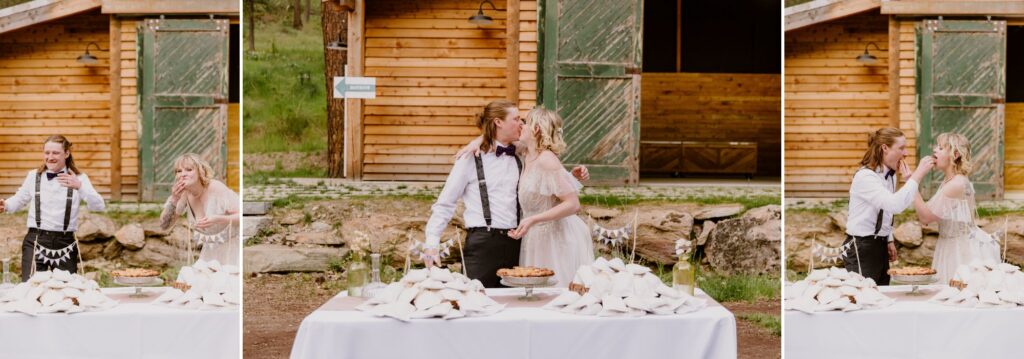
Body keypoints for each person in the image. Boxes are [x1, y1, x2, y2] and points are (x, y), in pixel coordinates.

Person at [423, 100, 587, 288]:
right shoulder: (470, 158)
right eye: (516, 119)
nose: (521, 123)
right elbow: (445, 203)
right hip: (483, 245)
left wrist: (570, 176)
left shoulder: (522, 151)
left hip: (518, 244)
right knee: (477, 302)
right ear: (498, 122)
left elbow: (548, 174)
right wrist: (432, 242)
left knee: (519, 305)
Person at [507, 107, 594, 287]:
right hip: (535, 236)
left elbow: (573, 204)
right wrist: (474, 144)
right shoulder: (526, 153)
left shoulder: (547, 159)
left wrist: (533, 219)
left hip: (555, 238)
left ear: (536, 129)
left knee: (555, 291)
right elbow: (494, 139)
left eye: (525, 122)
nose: (521, 125)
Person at [0, 135, 105, 281]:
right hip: (36, 240)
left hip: (65, 243)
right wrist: (5, 205)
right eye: (47, 153)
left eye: (55, 153)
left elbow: (99, 206)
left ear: (66, 154)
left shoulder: (79, 178)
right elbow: (19, 199)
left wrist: (79, 187)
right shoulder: (33, 176)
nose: (50, 157)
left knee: (66, 292)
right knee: (31, 290)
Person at [844, 128, 934, 285]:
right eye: (901, 148)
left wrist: (888, 239)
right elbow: (894, 205)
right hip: (861, 246)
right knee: (863, 298)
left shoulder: (890, 175)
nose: (905, 153)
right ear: (885, 148)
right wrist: (917, 175)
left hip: (879, 244)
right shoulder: (865, 177)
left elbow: (886, 209)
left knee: (881, 295)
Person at [912, 132, 1000, 283]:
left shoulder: (956, 184)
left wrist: (912, 181)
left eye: (940, 147)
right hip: (949, 245)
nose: (934, 150)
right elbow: (927, 214)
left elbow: (925, 218)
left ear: (956, 154)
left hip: (961, 251)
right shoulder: (950, 180)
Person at [159, 153, 240, 266]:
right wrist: (173, 200)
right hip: (209, 254)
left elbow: (241, 216)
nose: (183, 174)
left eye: (188, 169)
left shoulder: (215, 187)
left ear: (200, 171)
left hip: (232, 251)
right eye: (179, 171)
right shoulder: (184, 194)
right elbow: (164, 226)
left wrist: (219, 219)